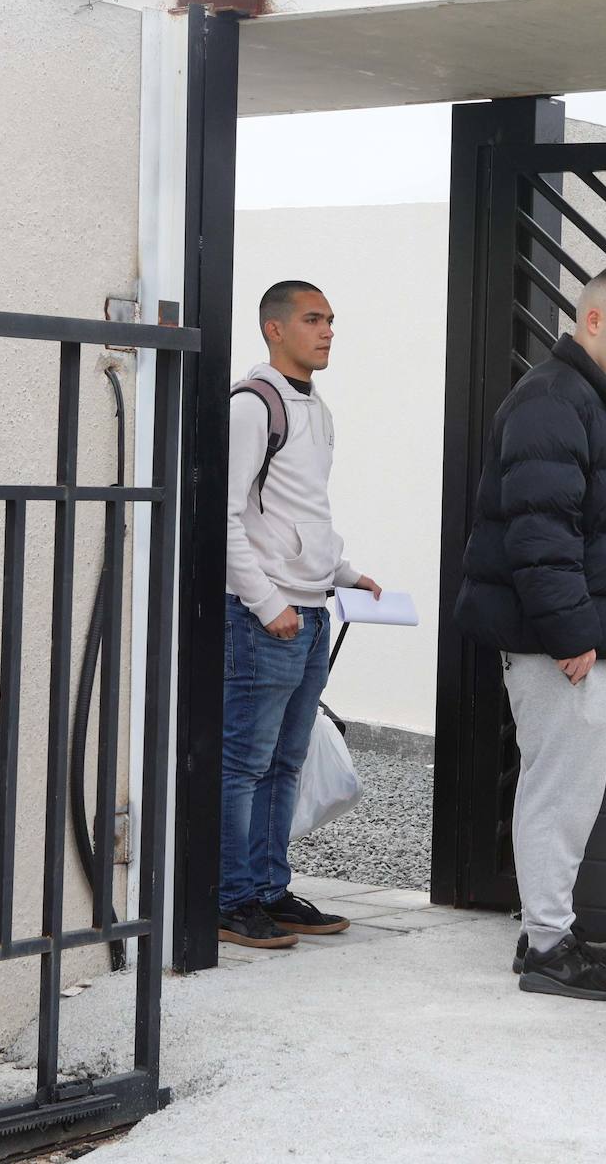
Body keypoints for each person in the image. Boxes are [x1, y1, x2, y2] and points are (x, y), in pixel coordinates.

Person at [454, 265, 606, 1001]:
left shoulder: (589, 399)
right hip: (563, 642)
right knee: (559, 791)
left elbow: (577, 515)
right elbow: (537, 534)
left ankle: (547, 929)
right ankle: (548, 946)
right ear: (593, 321)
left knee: (567, 788)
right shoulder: (554, 400)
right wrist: (572, 631)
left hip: (568, 635)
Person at [221, 280, 381, 949]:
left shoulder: (317, 410)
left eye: (332, 320)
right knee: (245, 764)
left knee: (286, 763)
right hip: (268, 619)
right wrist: (267, 603)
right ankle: (230, 900)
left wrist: (344, 574)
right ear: (274, 329)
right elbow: (225, 517)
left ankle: (269, 891)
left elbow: (303, 509)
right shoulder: (253, 406)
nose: (327, 331)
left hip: (310, 614)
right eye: (313, 319)